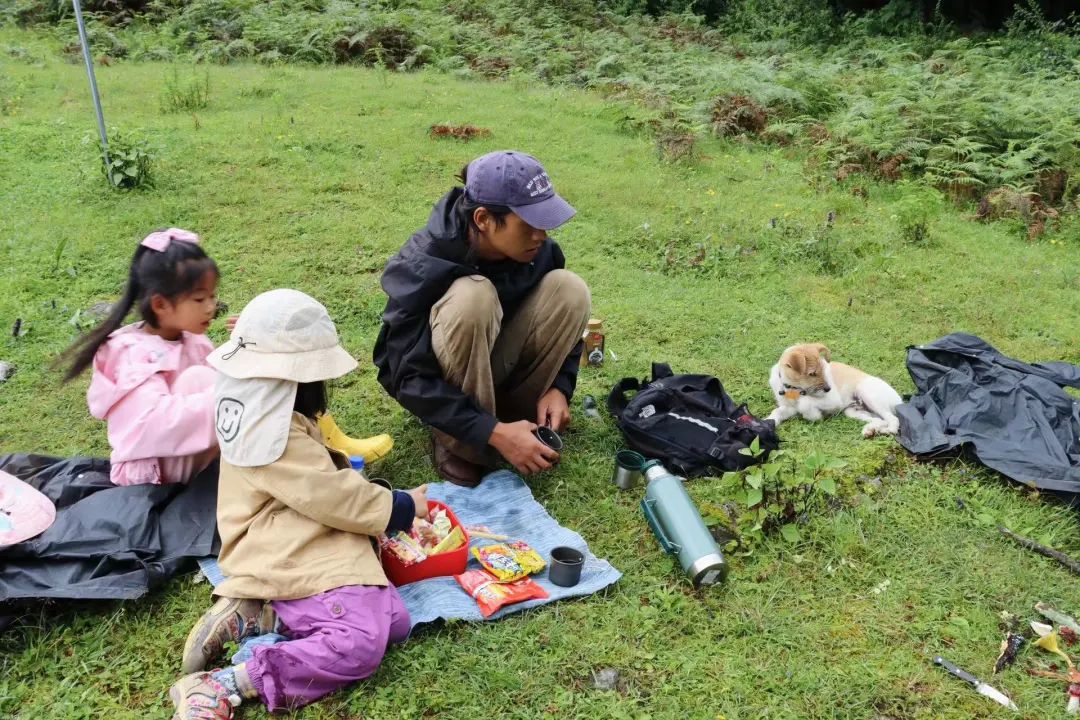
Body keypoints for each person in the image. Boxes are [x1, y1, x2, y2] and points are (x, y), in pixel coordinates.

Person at [171, 289, 426, 719]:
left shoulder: (253, 394)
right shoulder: (272, 425)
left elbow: (315, 486)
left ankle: (264, 614)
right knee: (361, 643)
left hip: (284, 522)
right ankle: (226, 682)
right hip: (278, 539)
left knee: (393, 621)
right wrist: (398, 506)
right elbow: (329, 493)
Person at [374, 150, 591, 487]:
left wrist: (559, 387)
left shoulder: (540, 253)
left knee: (570, 289)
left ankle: (513, 423)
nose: (542, 235)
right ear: (483, 219)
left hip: (500, 372)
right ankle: (460, 444)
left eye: (545, 221)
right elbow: (403, 375)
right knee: (473, 296)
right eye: (530, 224)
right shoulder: (424, 263)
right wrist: (487, 430)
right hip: (447, 387)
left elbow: (565, 335)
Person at [60, 228, 219, 486]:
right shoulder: (132, 354)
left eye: (212, 296)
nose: (211, 307)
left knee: (214, 381)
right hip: (153, 476)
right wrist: (232, 398)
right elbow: (157, 425)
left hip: (186, 454)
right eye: (200, 299)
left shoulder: (194, 339)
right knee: (203, 380)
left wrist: (245, 344)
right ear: (160, 305)